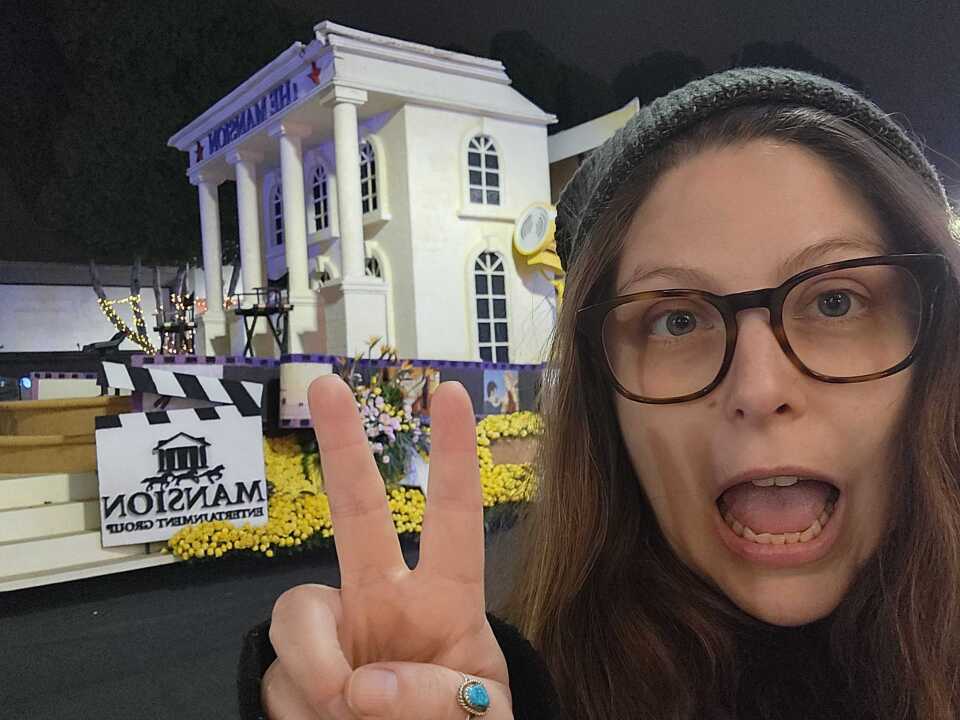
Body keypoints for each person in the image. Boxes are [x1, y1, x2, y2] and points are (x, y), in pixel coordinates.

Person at [237, 67, 960, 719]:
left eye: (836, 302)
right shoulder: (528, 690)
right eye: (677, 320)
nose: (760, 387)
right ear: (600, 401)